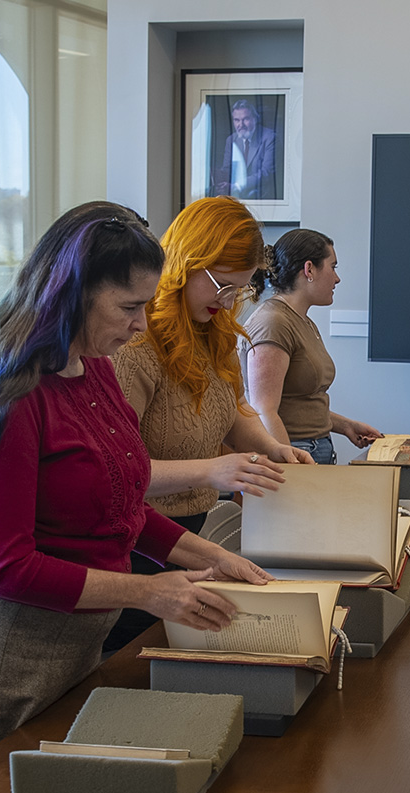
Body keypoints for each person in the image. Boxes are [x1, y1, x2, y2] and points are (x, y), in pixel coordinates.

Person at [0, 202, 271, 793]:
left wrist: (205, 554)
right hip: (9, 644)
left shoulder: (91, 365)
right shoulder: (12, 392)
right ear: (72, 295)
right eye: (129, 307)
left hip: (74, 635)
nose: (139, 324)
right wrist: (148, 590)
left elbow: (119, 497)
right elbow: (6, 567)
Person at [108, 196, 311, 649]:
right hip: (136, 543)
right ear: (186, 263)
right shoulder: (134, 346)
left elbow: (235, 409)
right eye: (222, 285)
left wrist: (269, 447)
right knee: (132, 662)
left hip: (188, 534)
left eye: (240, 289)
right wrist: (211, 470)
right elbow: (115, 476)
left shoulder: (213, 330)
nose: (229, 300)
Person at [240, 228, 382, 465]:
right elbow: (264, 410)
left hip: (314, 447)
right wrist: (294, 472)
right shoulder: (273, 323)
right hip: (295, 451)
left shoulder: (301, 320)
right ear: (309, 270)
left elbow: (300, 401)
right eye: (333, 267)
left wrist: (345, 425)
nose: (337, 278)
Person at [212, 99, 277, 200]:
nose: (240, 124)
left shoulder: (270, 137)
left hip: (261, 199)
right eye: (237, 120)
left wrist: (237, 186)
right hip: (235, 198)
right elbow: (227, 170)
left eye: (245, 119)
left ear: (255, 119)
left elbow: (266, 173)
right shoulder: (231, 140)